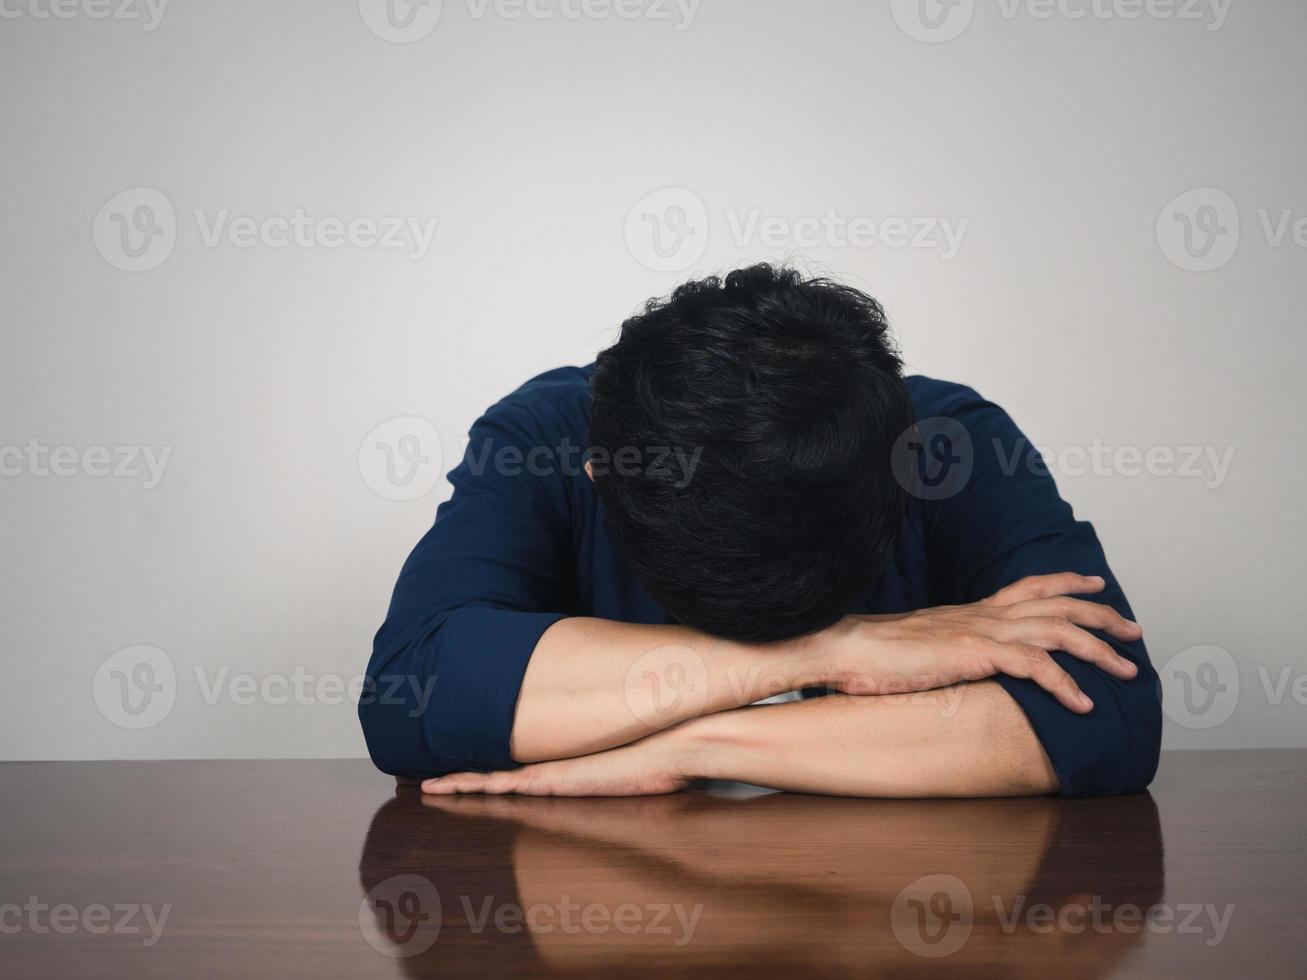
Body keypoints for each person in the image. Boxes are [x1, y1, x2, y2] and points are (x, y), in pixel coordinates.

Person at [359, 264, 1161, 798]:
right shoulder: (553, 436)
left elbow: (1106, 717)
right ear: (599, 476)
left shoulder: (943, 443)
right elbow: (414, 691)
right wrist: (834, 649)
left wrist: (690, 747)